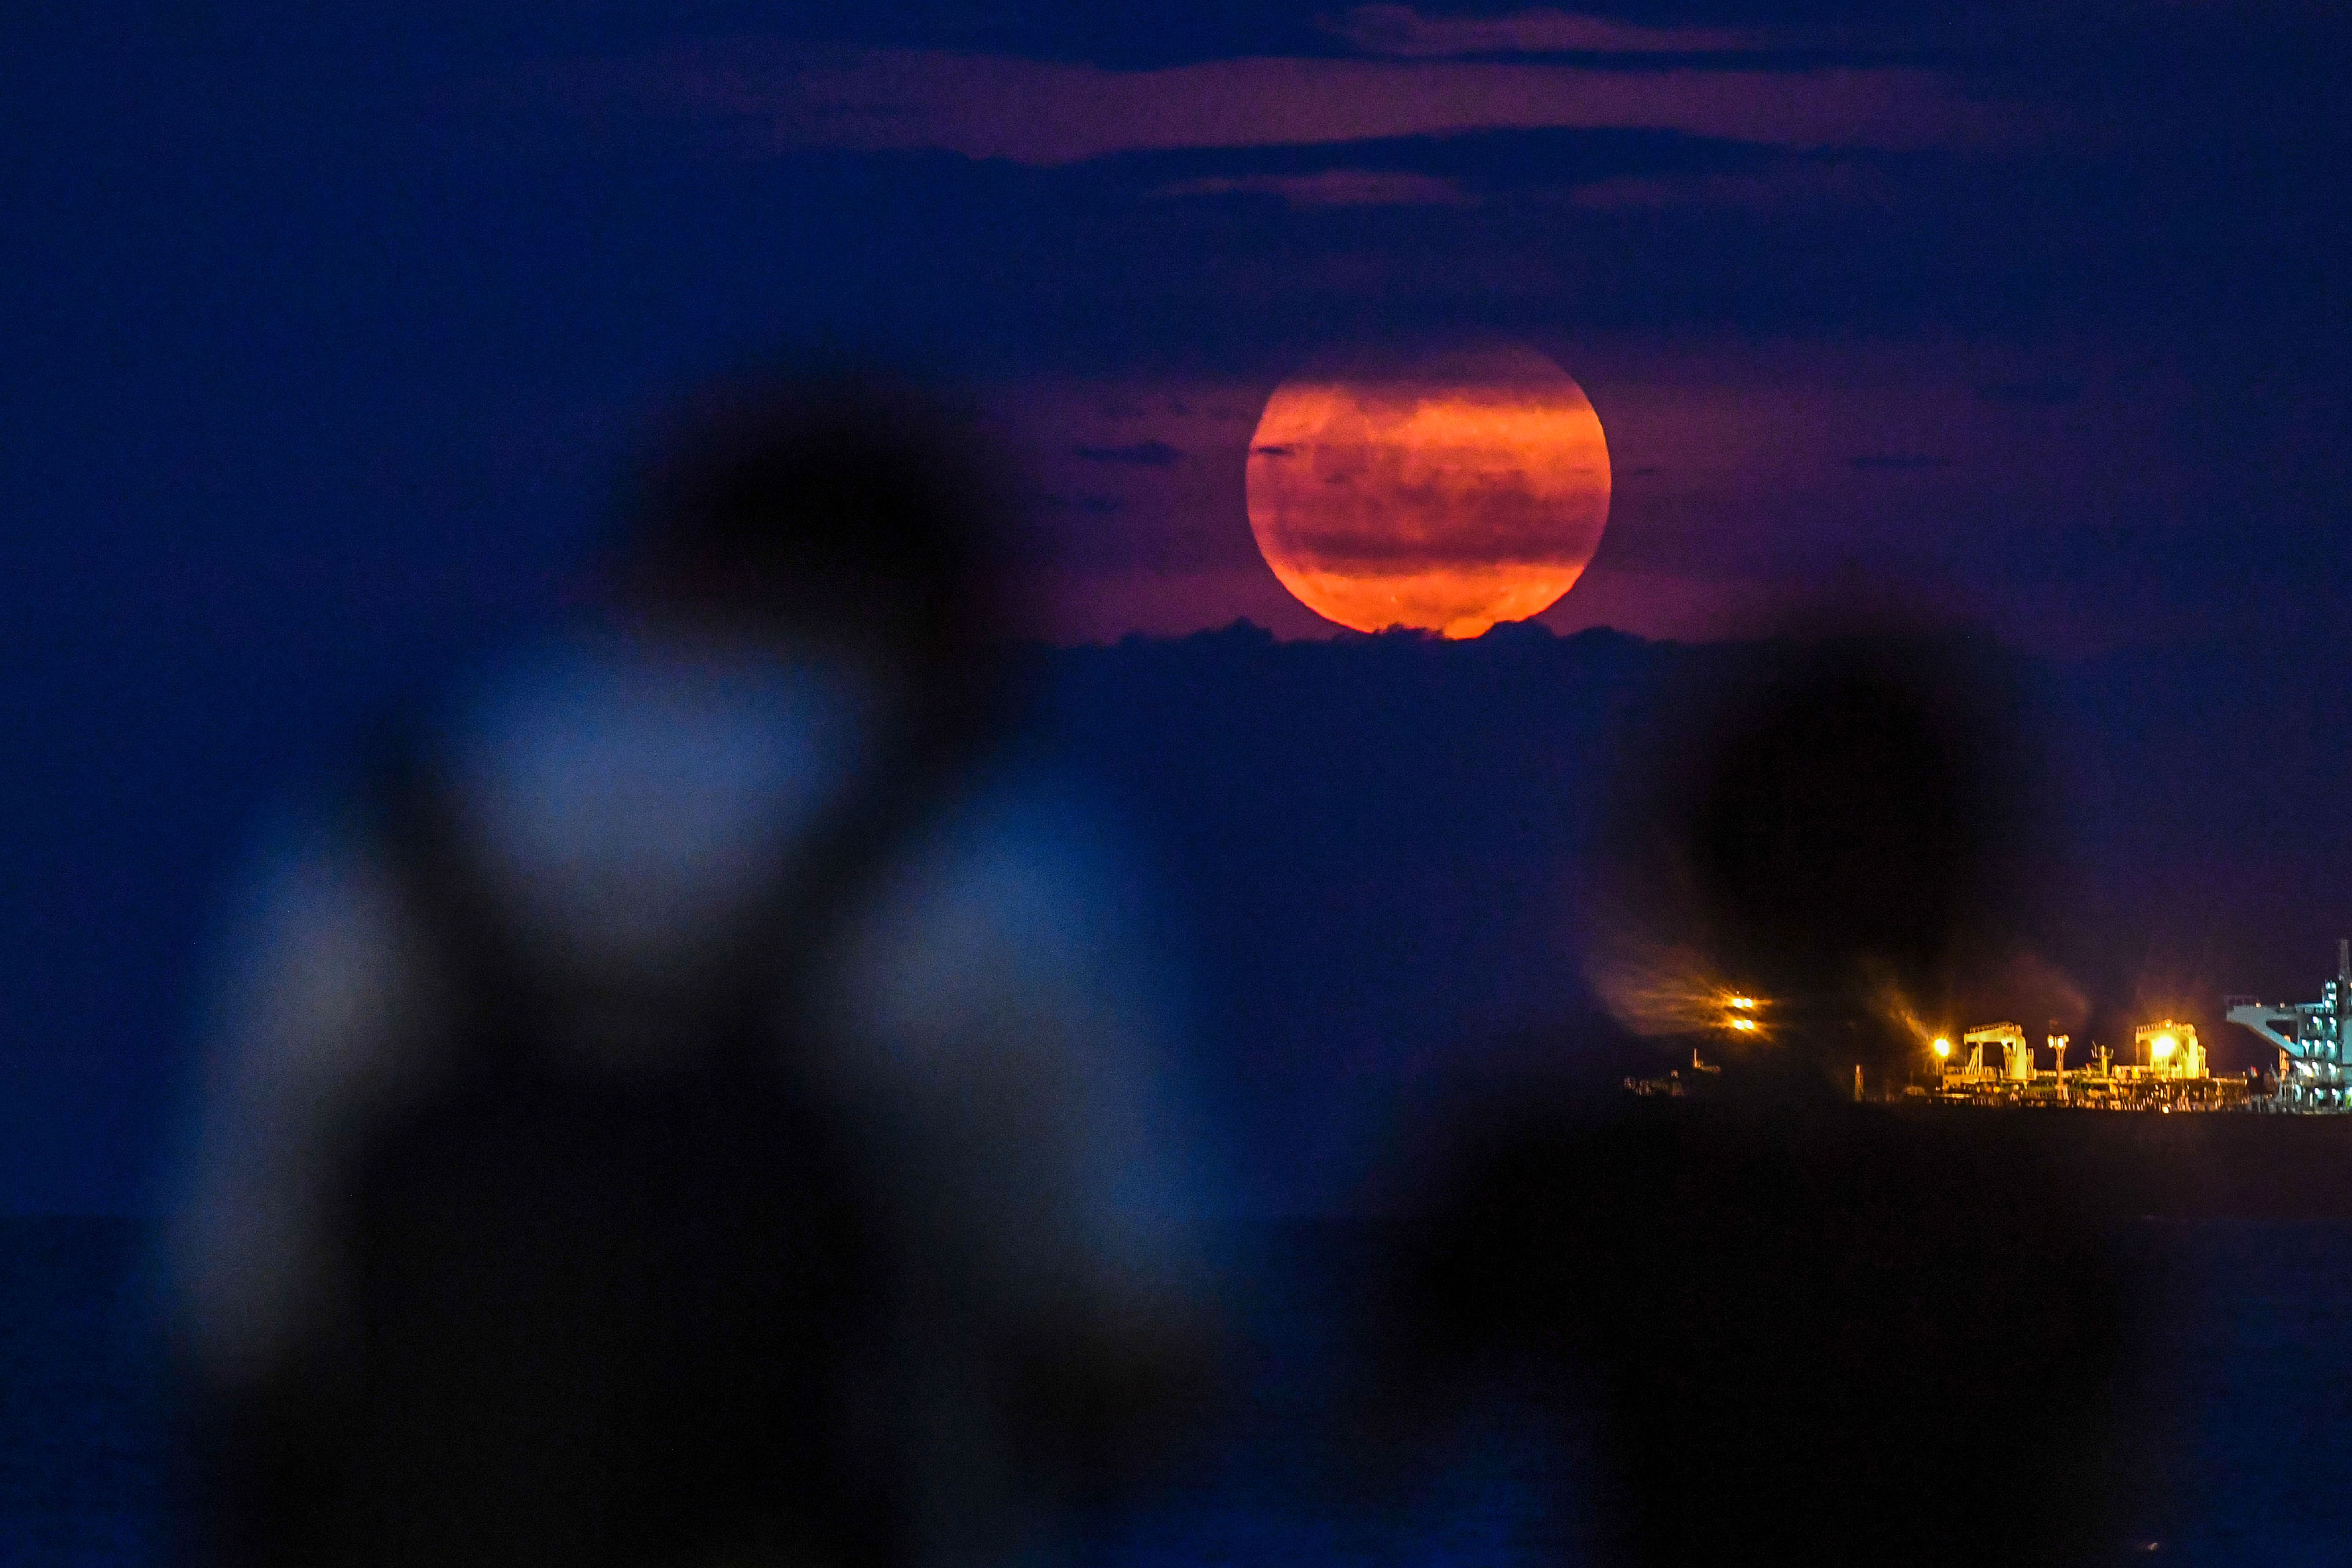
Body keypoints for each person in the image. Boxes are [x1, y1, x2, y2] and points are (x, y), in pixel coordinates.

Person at [163, 372, 1221, 1567]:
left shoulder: (365, 851)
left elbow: (234, 1336)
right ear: (950, 625)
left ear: (656, 578)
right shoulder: (992, 868)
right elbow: (1147, 1348)